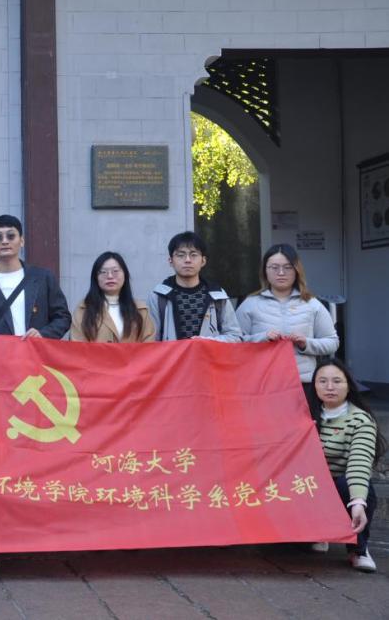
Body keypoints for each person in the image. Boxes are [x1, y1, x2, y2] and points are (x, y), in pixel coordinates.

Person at [310, 358, 385, 572]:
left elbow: (358, 464)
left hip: (343, 484)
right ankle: (317, 532)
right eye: (322, 381)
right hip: (311, 486)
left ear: (349, 386)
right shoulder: (305, 416)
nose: (330, 387)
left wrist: (358, 502)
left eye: (337, 381)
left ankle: (358, 549)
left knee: (355, 488)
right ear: (314, 386)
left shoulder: (360, 420)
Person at [236, 244, 338, 383]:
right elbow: (234, 343)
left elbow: (332, 342)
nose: (281, 273)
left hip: (303, 383)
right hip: (261, 384)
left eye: (288, 267)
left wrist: (305, 344)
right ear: (265, 271)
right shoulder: (250, 304)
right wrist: (262, 338)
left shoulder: (312, 304)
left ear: (297, 270)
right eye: (274, 267)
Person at [0, 214, 71, 339]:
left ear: (21, 241)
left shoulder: (43, 277)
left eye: (11, 236)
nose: (5, 241)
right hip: (0, 350)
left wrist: (43, 334)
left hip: (36, 349)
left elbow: (63, 317)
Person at [147, 231, 242, 342]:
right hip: (172, 354)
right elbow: (150, 341)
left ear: (203, 261)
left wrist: (207, 342)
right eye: (181, 255)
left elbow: (235, 336)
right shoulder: (158, 296)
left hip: (208, 353)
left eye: (193, 255)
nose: (187, 260)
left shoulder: (217, 295)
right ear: (170, 261)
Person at [70, 251, 156, 343]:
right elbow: (77, 347)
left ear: (125, 275)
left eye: (115, 271)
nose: (110, 276)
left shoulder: (140, 310)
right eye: (103, 272)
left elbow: (148, 346)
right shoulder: (83, 310)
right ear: (95, 278)